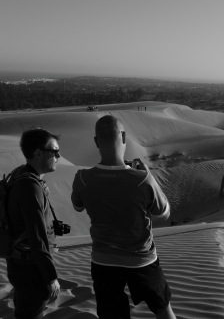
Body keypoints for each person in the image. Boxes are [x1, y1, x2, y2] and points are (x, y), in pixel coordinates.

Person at [71, 115, 176, 319]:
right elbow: (164, 214)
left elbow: (77, 207)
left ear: (96, 141)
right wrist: (149, 177)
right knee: (163, 308)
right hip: (141, 260)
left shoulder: (82, 179)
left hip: (103, 261)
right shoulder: (142, 179)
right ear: (124, 137)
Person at [5, 128, 62, 319]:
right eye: (54, 152)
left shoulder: (21, 176)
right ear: (38, 153)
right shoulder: (30, 187)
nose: (58, 156)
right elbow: (38, 237)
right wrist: (50, 277)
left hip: (22, 266)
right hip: (30, 270)